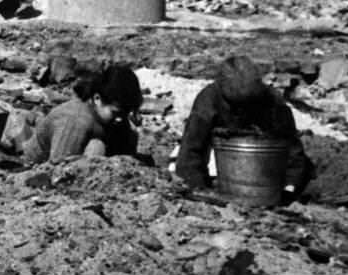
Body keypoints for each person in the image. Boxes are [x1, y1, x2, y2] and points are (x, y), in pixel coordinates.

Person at [173, 56, 313, 200]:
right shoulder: (209, 100)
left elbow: (291, 148)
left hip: (263, 170)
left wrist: (289, 186)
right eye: (237, 106)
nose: (242, 111)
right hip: (221, 159)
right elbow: (191, 150)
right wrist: (198, 188)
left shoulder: (272, 101)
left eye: (248, 106)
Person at [22, 66, 144, 163]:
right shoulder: (75, 120)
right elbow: (58, 166)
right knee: (96, 147)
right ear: (97, 99)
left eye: (125, 113)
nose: (120, 119)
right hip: (35, 170)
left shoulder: (114, 119)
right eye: (115, 112)